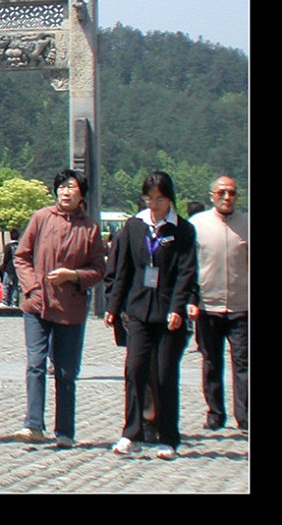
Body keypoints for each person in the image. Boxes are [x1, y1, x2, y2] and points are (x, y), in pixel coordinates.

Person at [105, 171, 197, 460]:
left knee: (165, 374)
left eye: (160, 199)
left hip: (168, 313)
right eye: (149, 198)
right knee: (135, 369)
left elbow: (186, 272)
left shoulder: (182, 230)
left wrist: (178, 307)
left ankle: (168, 437)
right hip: (138, 310)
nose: (154, 205)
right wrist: (113, 306)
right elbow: (123, 269)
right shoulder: (134, 226)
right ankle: (132, 433)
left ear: (170, 199)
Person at [11, 169, 106, 448]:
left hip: (70, 307)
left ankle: (65, 430)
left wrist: (73, 276)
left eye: (72, 187)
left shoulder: (90, 228)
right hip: (37, 304)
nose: (66, 192)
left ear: (81, 195)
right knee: (35, 364)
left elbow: (99, 269)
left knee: (65, 371)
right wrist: (33, 287)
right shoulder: (41, 218)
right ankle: (33, 424)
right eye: (62, 187)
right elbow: (22, 257)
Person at [186, 175, 248, 432]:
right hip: (208, 306)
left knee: (243, 363)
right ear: (212, 196)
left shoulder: (246, 223)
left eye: (232, 192)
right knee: (211, 361)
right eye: (222, 192)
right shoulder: (197, 225)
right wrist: (191, 300)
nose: (227, 197)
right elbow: (189, 267)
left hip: (241, 306)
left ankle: (244, 415)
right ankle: (215, 413)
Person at [1, 231, 20, 307]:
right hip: (18, 267)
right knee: (15, 285)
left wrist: (3, 266)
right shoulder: (20, 246)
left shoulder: (8, 246)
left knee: (6, 284)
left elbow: (6, 259)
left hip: (9, 268)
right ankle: (14, 302)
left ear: (10, 236)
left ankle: (5, 301)